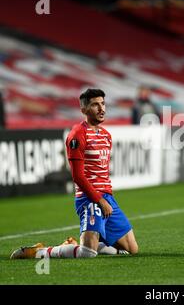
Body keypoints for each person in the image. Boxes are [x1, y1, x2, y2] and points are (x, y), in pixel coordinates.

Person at [10, 88, 138, 259]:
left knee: (132, 248)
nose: (101, 109)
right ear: (84, 110)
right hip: (89, 198)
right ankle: (39, 252)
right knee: (88, 253)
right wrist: (98, 200)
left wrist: (106, 198)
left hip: (107, 197)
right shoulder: (77, 134)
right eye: (95, 105)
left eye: (103, 104)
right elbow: (78, 176)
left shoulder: (106, 136)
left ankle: (73, 245)